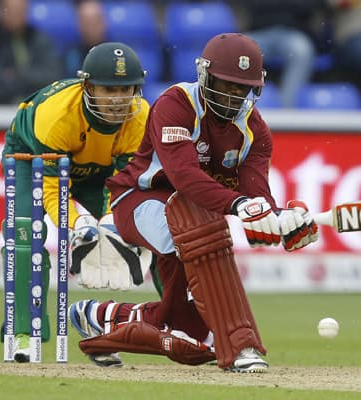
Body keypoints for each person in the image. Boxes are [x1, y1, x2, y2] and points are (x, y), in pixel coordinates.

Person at [68, 33, 320, 372]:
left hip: (194, 218)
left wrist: (284, 220)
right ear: (206, 76)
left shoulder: (256, 132)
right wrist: (240, 205)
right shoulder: (176, 104)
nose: (233, 97)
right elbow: (184, 176)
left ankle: (101, 317)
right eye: (226, 85)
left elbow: (256, 195)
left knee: (186, 326)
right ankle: (240, 345)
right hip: (139, 200)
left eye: (242, 89)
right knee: (198, 223)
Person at [1, 42, 152, 363]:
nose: (118, 100)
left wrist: (113, 222)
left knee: (152, 236)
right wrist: (78, 223)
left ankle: (185, 328)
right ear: (87, 86)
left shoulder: (140, 118)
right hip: (30, 157)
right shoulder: (56, 116)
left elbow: (128, 183)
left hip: (101, 169)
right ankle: (23, 334)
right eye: (108, 90)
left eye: (126, 89)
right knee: (25, 236)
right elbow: (53, 188)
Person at [230, 0, 319, 108]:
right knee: (238, 49)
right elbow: (251, 5)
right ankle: (236, 108)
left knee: (302, 51)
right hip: (258, 32)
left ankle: (287, 110)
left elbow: (307, 5)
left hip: (292, 32)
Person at [0, 0, 63, 104]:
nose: (19, 15)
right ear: (0, 11)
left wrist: (16, 76)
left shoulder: (39, 38)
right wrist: (30, 82)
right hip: (0, 109)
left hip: (38, 107)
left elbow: (53, 77)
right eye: (13, 10)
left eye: (22, 10)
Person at [64, 0, 108, 77]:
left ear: (104, 22)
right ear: (79, 24)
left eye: (95, 21)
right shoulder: (70, 55)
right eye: (87, 22)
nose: (91, 27)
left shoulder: (117, 53)